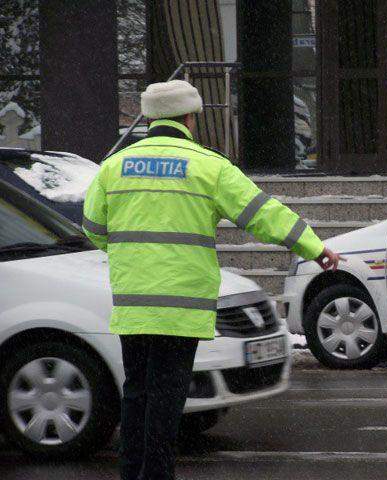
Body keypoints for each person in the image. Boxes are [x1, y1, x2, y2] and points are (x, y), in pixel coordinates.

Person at [82, 79, 342, 480]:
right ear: (190, 118)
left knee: (136, 393)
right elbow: (262, 213)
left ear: (150, 119)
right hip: (181, 307)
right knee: (167, 398)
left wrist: (134, 253)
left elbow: (94, 228)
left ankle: (132, 473)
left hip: (134, 304)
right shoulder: (208, 166)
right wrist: (313, 246)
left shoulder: (115, 166)